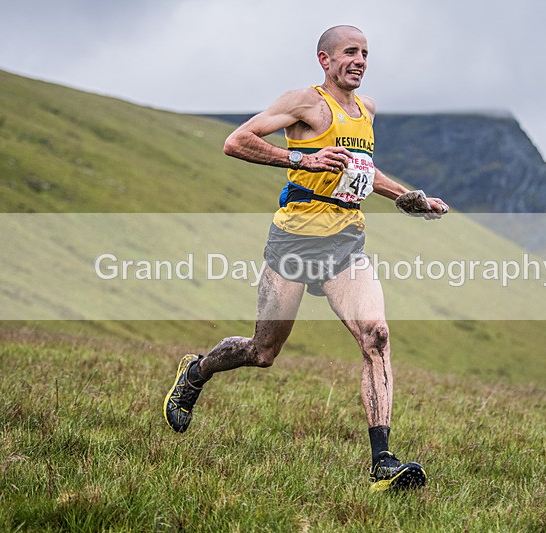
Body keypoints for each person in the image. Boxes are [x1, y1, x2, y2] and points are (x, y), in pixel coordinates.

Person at [164, 25, 448, 492]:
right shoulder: (305, 103)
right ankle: (196, 371)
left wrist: (407, 197)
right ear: (325, 59)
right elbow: (236, 141)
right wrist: (301, 160)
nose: (359, 61)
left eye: (365, 54)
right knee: (262, 352)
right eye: (350, 53)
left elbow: (362, 168)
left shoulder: (367, 110)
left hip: (345, 244)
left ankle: (383, 463)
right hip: (293, 243)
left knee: (375, 335)